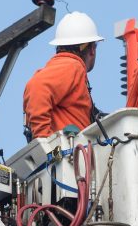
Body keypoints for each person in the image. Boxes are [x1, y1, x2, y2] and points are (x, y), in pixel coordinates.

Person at [23, 11, 104, 140]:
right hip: (66, 155)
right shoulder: (72, 66)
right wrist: (44, 141)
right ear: (92, 49)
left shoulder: (67, 69)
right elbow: (37, 87)